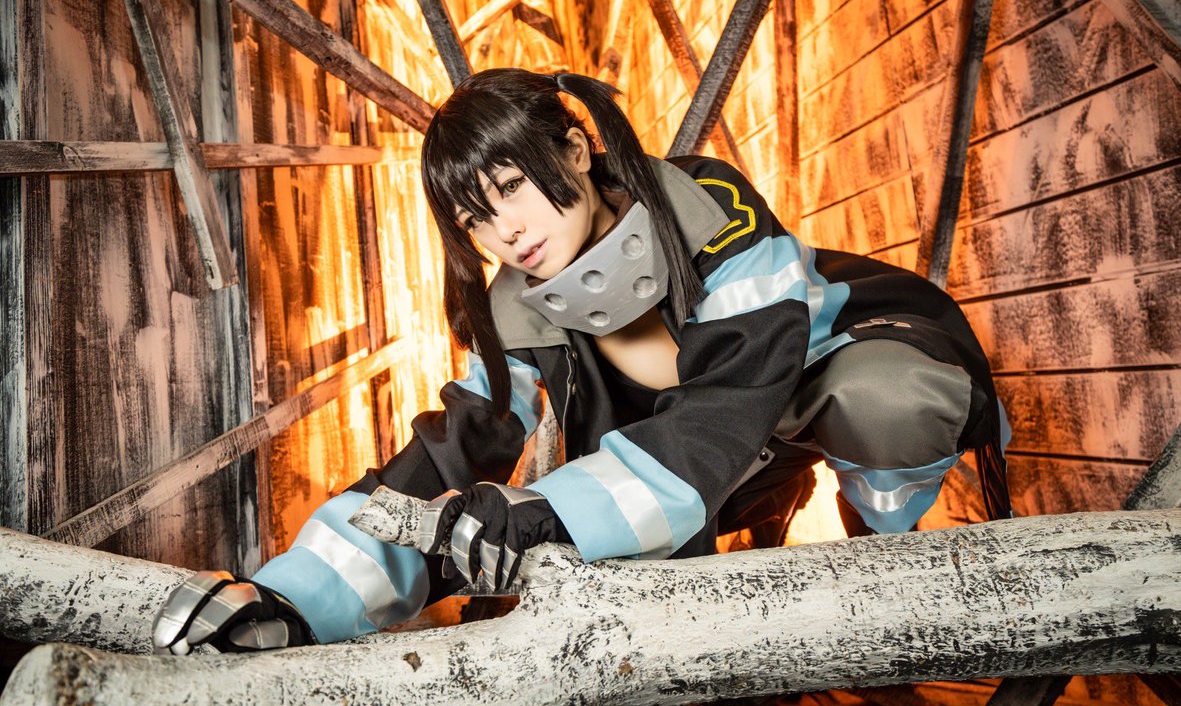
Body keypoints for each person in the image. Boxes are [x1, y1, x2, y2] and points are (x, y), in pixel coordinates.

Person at [151, 68, 1012, 655]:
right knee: (616, 582)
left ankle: (882, 557)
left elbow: (732, 396)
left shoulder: (708, 205)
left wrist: (551, 511)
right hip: (702, 464)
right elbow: (449, 455)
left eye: (511, 187)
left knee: (888, 395)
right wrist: (291, 597)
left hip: (806, 389)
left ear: (572, 148)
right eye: (477, 218)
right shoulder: (514, 307)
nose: (507, 232)